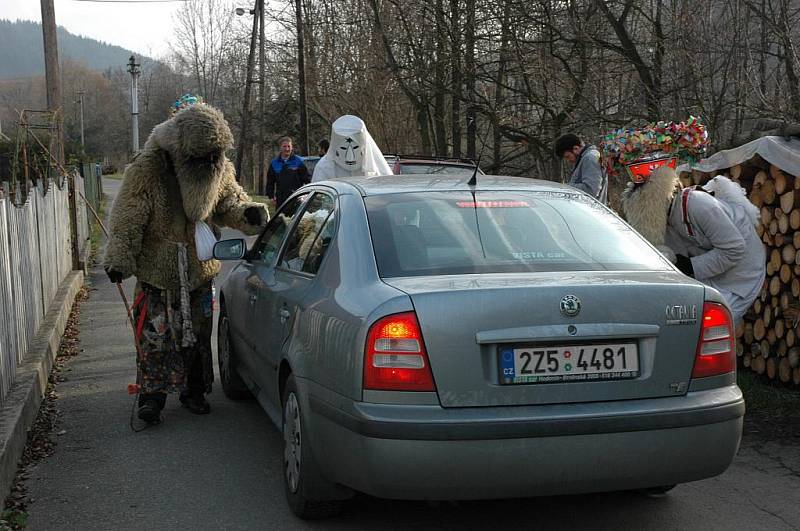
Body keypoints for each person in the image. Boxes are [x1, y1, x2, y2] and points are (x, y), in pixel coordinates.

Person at [104, 104, 269, 423]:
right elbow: (129, 215)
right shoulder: (148, 168)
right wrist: (120, 258)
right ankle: (152, 394)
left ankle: (194, 390)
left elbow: (229, 202)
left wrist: (247, 213)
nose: (213, 161)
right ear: (186, 150)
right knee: (156, 334)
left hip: (199, 267)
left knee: (197, 332)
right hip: (157, 269)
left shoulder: (218, 165)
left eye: (217, 155)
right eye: (207, 156)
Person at [622, 165, 765, 325]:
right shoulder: (662, 221)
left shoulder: (697, 204)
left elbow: (734, 250)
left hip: (741, 275)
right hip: (711, 273)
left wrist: (689, 266)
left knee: (713, 324)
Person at [311, 115, 393, 182]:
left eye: (355, 147)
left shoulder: (376, 166)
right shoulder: (324, 168)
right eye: (343, 148)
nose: (350, 157)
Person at [554, 133, 608, 204]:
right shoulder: (585, 159)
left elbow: (590, 190)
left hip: (591, 211)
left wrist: (565, 187)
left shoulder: (590, 158)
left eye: (568, 156)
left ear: (576, 148)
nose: (568, 160)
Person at [265, 136, 310, 209]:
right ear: (280, 148)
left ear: (292, 147)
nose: (287, 149)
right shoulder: (274, 163)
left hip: (297, 199)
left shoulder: (298, 161)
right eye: (284, 146)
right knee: (281, 219)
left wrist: (306, 195)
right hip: (281, 200)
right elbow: (270, 182)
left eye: (289, 146)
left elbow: (307, 180)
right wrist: (271, 196)